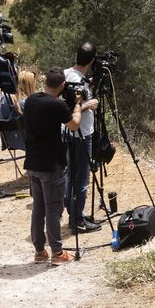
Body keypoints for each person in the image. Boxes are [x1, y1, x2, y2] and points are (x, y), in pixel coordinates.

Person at [23, 68, 95, 264]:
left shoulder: (30, 100)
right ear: (62, 86)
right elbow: (74, 125)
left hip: (32, 164)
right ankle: (57, 252)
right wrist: (79, 105)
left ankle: (39, 251)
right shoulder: (57, 105)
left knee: (39, 208)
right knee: (54, 208)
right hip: (51, 165)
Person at [63, 43, 100, 233]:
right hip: (80, 135)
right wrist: (89, 105)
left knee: (71, 176)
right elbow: (68, 108)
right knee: (82, 179)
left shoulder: (67, 74)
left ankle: (74, 213)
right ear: (91, 61)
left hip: (70, 133)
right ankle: (77, 221)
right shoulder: (76, 79)